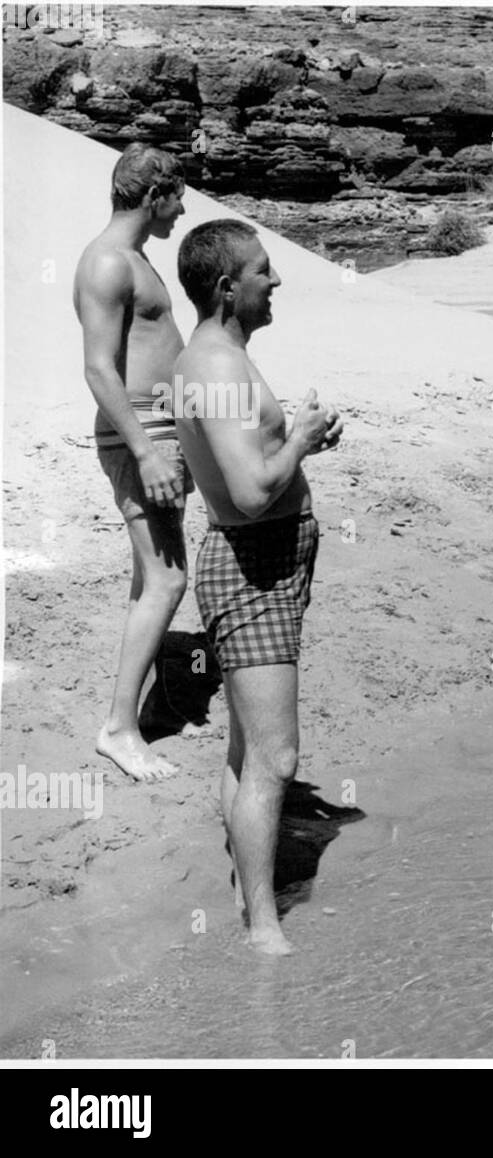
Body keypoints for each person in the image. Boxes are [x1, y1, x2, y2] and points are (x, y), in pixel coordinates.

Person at [174, 219, 342, 955]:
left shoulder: (224, 357)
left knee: (247, 752)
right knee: (277, 760)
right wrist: (299, 439)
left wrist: (298, 440)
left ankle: (250, 893)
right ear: (225, 287)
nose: (276, 282)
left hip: (265, 563)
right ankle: (262, 928)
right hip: (252, 567)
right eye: (263, 271)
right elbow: (246, 493)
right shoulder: (214, 368)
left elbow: (246, 457)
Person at [74, 142, 190, 783]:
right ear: (154, 197)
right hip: (138, 437)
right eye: (178, 197)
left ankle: (143, 697)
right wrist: (147, 451)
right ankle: (120, 728)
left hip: (159, 432)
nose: (182, 209)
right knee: (170, 580)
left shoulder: (133, 258)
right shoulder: (107, 263)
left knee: (151, 578)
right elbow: (97, 367)